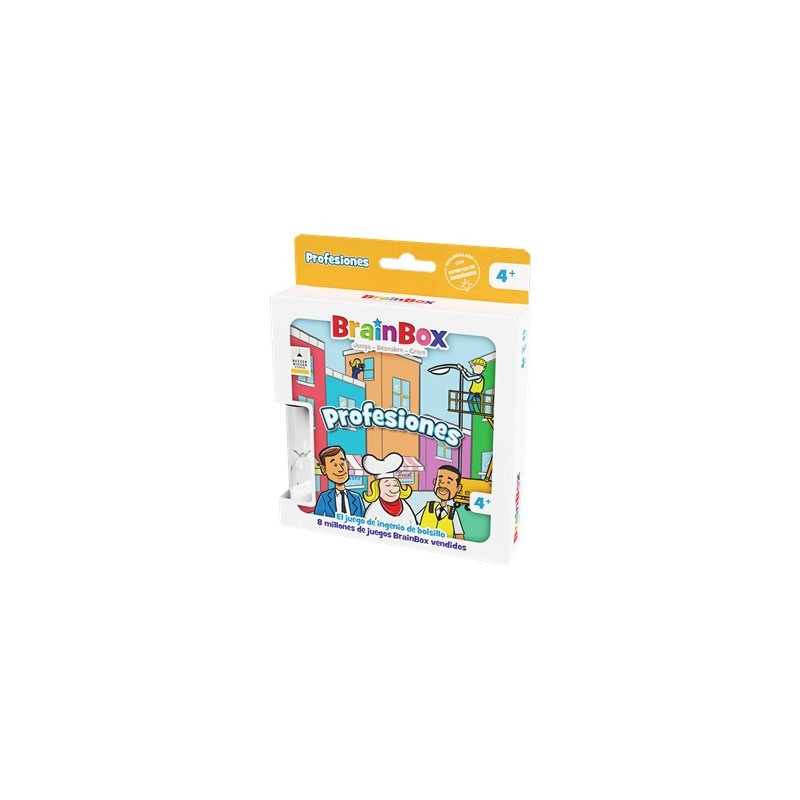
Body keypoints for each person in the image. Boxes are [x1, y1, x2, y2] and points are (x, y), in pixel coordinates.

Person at [362, 452, 417, 528]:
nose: (393, 489)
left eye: (395, 485)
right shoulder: (374, 508)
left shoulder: (404, 505)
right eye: (387, 485)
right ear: (377, 488)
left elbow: (413, 524)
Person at [313, 445, 365, 518]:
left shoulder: (357, 498)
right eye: (334, 465)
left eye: (342, 464)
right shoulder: (324, 497)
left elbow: (364, 519)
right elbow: (316, 519)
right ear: (324, 469)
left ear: (347, 465)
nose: (340, 469)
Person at [416, 465, 465, 539]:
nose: (442, 484)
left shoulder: (452, 513)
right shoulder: (429, 506)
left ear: (458, 488)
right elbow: (414, 523)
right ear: (435, 481)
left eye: (448, 482)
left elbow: (459, 535)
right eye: (440, 480)